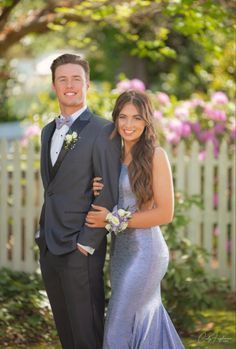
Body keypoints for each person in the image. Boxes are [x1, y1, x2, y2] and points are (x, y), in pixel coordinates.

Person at [85, 90, 185, 348]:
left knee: (117, 328)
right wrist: (99, 188)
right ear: (115, 119)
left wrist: (112, 220)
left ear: (147, 121)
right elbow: (118, 198)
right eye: (123, 117)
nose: (129, 125)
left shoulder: (155, 155)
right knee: (142, 323)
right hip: (121, 254)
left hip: (146, 253)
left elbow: (165, 213)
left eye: (137, 118)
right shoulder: (113, 157)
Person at [36, 53, 121, 349]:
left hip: (80, 247)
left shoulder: (103, 130)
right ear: (54, 85)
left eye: (76, 79)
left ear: (87, 84)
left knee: (87, 332)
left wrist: (87, 242)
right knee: (66, 331)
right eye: (62, 79)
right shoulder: (47, 131)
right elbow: (53, 189)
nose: (69, 85)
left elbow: (109, 190)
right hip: (49, 244)